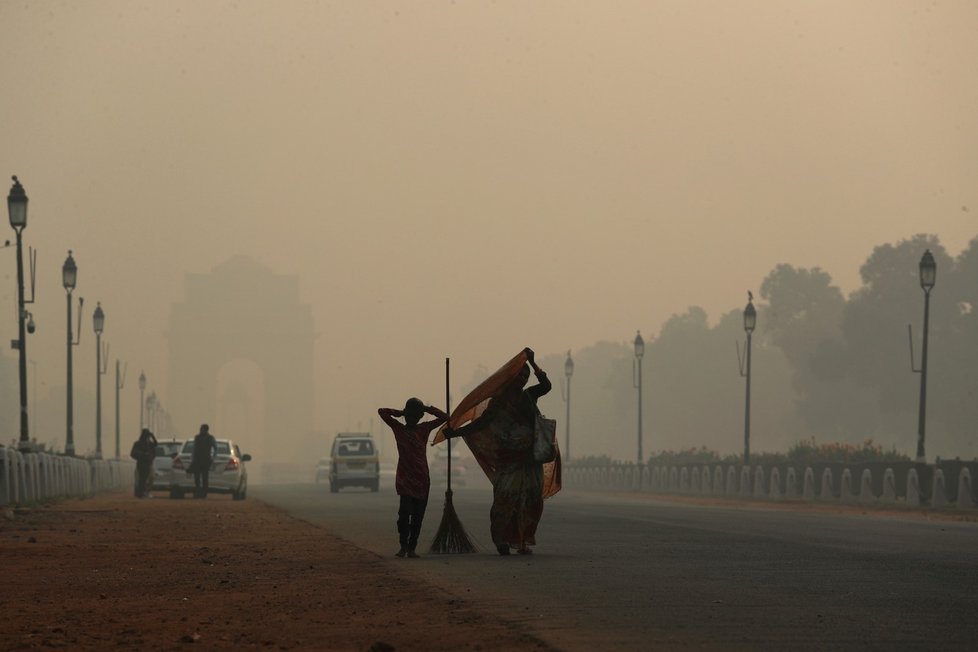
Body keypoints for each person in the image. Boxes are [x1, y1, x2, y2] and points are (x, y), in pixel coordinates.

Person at [444, 348, 551, 555]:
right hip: (508, 457)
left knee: (531, 499)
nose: (522, 378)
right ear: (511, 377)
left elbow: (546, 386)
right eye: (520, 374)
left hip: (530, 457)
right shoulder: (498, 402)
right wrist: (454, 433)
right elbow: (481, 423)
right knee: (505, 498)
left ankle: (522, 541)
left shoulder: (529, 396)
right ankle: (502, 540)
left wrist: (534, 362)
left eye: (525, 376)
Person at [378, 398, 448, 558]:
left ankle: (412, 547)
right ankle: (403, 545)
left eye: (415, 415)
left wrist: (427, 408)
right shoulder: (398, 428)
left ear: (419, 417)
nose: (411, 418)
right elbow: (382, 411)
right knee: (404, 514)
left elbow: (445, 418)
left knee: (417, 517)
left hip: (422, 478)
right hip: (405, 478)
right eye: (409, 415)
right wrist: (401, 412)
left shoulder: (424, 429)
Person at [190, 424, 218, 499]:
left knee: (205, 478)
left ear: (206, 430)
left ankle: (204, 493)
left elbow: (216, 448)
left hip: (206, 461)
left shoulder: (210, 438)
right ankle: (198, 492)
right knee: (197, 478)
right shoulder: (197, 437)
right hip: (197, 460)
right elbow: (194, 449)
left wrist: (213, 458)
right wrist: (193, 459)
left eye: (202, 429)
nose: (200, 430)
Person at [130, 428, 158, 498]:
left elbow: (156, 444)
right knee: (142, 479)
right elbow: (133, 453)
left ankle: (145, 491)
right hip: (141, 463)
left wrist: (153, 436)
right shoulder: (138, 444)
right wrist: (143, 455)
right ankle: (141, 493)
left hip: (149, 463)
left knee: (151, 478)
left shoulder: (150, 444)